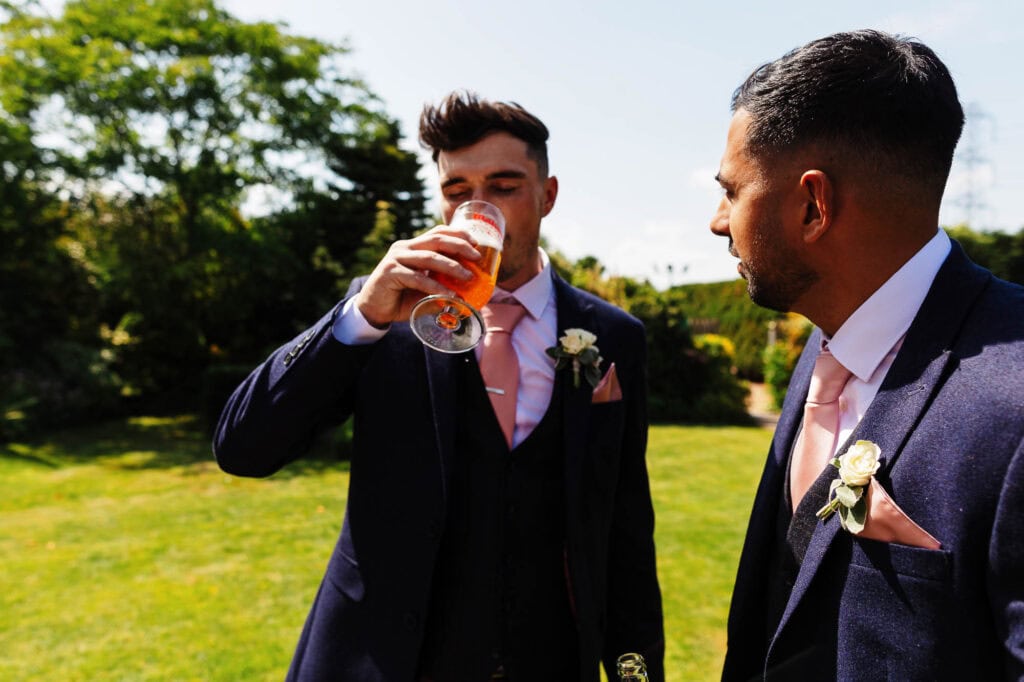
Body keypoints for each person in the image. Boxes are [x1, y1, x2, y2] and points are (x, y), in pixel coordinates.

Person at [214, 91, 664, 681]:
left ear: (546, 195)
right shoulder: (384, 315)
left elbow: (626, 529)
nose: (478, 208)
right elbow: (244, 448)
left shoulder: (614, 336)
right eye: (457, 192)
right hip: (385, 662)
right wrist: (360, 318)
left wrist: (636, 673)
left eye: (504, 187)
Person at [711, 30, 1024, 680]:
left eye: (733, 190)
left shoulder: (1014, 394)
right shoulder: (819, 352)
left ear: (813, 206)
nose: (718, 220)